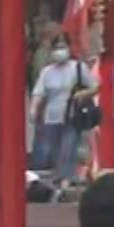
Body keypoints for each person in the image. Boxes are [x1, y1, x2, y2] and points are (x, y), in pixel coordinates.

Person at [30, 38, 82, 180]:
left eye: (63, 47)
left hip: (72, 114)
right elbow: (39, 92)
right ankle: (60, 176)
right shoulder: (47, 71)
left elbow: (93, 86)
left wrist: (82, 95)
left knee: (68, 147)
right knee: (54, 149)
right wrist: (34, 109)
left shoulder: (77, 67)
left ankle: (66, 179)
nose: (60, 51)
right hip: (52, 115)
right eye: (57, 48)